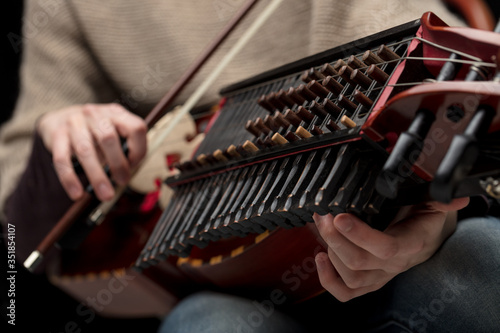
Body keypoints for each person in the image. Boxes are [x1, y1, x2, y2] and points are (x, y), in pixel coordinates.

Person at [1, 0, 499, 332]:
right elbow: (12, 233)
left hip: (380, 219)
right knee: (206, 324)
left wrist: (427, 220)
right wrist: (56, 134)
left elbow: (416, 78)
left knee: (483, 260)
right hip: (222, 274)